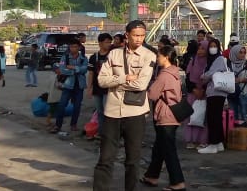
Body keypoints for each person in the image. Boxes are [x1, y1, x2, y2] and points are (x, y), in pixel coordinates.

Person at [93, 20, 157, 191]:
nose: (139, 39)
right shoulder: (114, 55)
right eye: (135, 35)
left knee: (132, 161)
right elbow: (101, 80)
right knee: (105, 159)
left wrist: (114, 82)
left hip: (135, 113)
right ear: (127, 35)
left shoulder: (148, 56)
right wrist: (125, 78)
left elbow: (141, 85)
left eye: (142, 36)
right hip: (112, 112)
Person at [140, 45, 187, 190]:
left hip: (165, 115)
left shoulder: (164, 75)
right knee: (160, 148)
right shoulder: (175, 72)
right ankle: (151, 176)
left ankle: (177, 182)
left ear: (166, 57)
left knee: (168, 150)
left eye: (159, 56)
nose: (157, 58)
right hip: (173, 115)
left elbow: (152, 94)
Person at [198, 38, 229, 154]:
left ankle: (213, 144)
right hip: (214, 92)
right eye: (210, 46)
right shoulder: (212, 60)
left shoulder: (219, 58)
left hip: (216, 92)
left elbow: (211, 73)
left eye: (214, 46)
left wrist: (203, 76)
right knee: (215, 117)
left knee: (212, 118)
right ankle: (219, 142)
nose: (212, 48)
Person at [52, 41, 88, 135]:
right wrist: (76, 70)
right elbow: (62, 70)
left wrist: (72, 67)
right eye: (71, 46)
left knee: (77, 106)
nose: (73, 49)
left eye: (75, 47)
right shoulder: (65, 57)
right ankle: (57, 125)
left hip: (79, 85)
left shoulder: (83, 58)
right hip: (68, 85)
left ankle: (73, 124)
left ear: (79, 47)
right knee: (61, 105)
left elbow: (84, 69)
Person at [87, 33, 114, 138]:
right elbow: (90, 73)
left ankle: (108, 133)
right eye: (107, 42)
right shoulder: (94, 57)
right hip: (97, 88)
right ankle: (101, 132)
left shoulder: (112, 56)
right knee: (99, 111)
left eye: (109, 42)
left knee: (108, 111)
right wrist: (89, 88)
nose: (109, 44)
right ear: (100, 43)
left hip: (108, 88)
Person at [227, 44, 247, 126]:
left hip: (243, 92)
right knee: (233, 114)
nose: (243, 55)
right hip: (232, 92)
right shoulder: (228, 64)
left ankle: (244, 134)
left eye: (244, 53)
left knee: (244, 114)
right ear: (234, 53)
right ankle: (233, 133)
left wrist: (241, 80)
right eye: (240, 52)